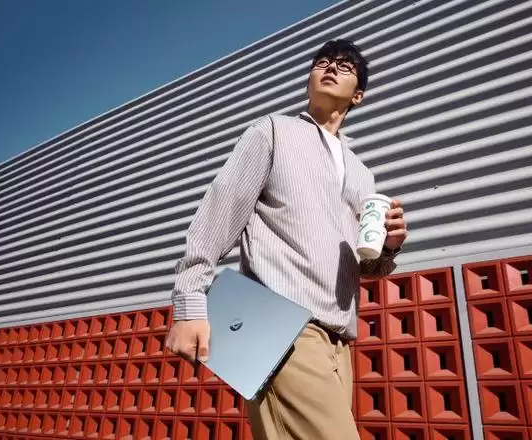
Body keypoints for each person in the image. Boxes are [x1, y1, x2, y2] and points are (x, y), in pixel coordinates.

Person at [165, 39, 408, 440]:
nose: (331, 67)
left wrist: (389, 248)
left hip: (340, 341)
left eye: (345, 66)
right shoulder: (272, 131)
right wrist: (190, 302)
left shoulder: (362, 173)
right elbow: (220, 211)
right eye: (323, 62)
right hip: (285, 328)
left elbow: (365, 268)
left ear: (358, 96)